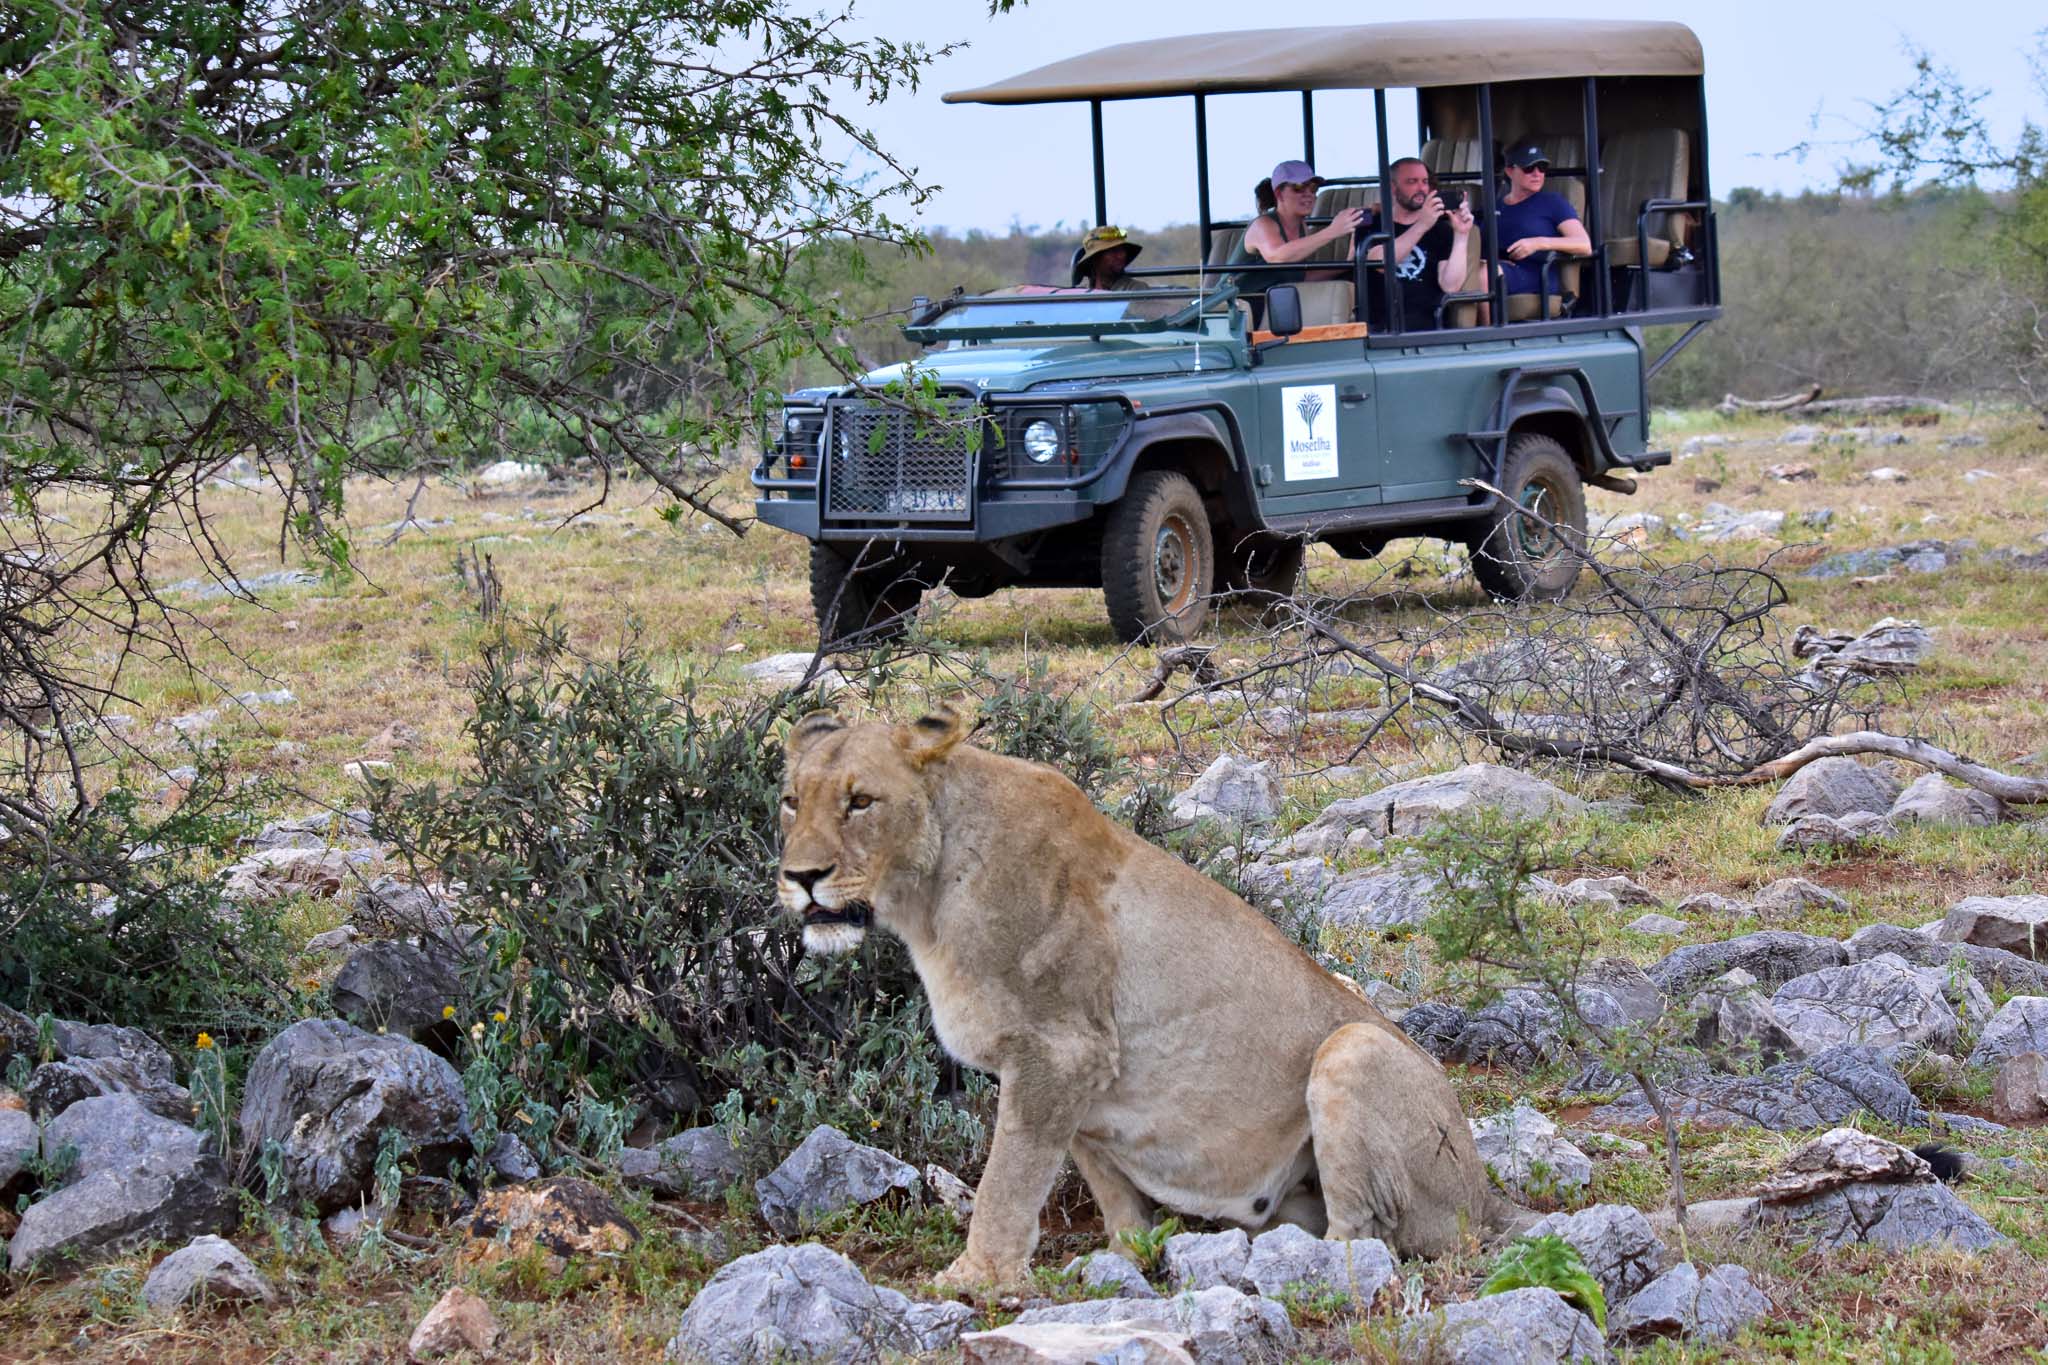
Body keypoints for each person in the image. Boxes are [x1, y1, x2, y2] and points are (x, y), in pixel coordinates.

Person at [1226, 160, 1365, 312]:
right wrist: (1333, 230)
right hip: (1234, 311)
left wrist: (1348, 263)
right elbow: (1278, 257)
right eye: (1298, 188)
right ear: (1279, 194)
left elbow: (1302, 278)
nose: (1309, 195)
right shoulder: (1263, 224)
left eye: (1313, 189)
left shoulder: (1301, 227)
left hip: (1272, 308)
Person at [1361, 157, 1475, 331]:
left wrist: (1461, 234)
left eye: (1424, 182)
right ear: (1392, 187)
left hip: (1429, 327)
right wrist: (1422, 225)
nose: (1421, 188)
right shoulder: (1371, 225)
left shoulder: (1441, 230)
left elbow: (1450, 285)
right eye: (1412, 182)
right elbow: (1381, 262)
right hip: (1378, 329)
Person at [1495, 139, 1590, 306]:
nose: (1537, 174)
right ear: (1510, 171)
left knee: (1487, 274)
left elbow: (1584, 244)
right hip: (1502, 268)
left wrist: (1538, 243)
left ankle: (1488, 331)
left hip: (1539, 274)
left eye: (1542, 168)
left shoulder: (1553, 202)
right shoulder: (1496, 206)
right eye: (1529, 168)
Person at [1071, 224, 1151, 291]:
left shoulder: (1136, 289)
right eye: (1112, 251)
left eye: (1122, 250)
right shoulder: (1081, 293)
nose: (1121, 255)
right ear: (1095, 259)